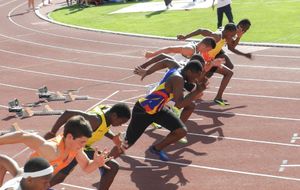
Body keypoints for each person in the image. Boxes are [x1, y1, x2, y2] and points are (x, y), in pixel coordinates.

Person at [110, 57, 209, 162]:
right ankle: (105, 161)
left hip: (158, 109)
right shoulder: (178, 79)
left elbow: (165, 61)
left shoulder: (176, 67)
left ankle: (156, 149)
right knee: (126, 144)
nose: (196, 79)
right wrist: (197, 91)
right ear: (189, 71)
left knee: (181, 131)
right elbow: (179, 104)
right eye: (196, 76)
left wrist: (148, 71)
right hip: (143, 111)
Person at [0, 116, 111, 189]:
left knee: (4, 162)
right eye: (82, 142)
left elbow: (86, 167)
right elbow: (23, 136)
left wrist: (96, 163)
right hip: (27, 185)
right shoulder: (52, 149)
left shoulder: (76, 149)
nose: (83, 145)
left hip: (41, 185)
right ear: (70, 137)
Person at [43, 103, 131, 190]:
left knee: (112, 166)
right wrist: (52, 133)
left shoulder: (108, 113)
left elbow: (101, 128)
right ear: (114, 115)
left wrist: (113, 137)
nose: (121, 125)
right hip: (71, 146)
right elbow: (67, 113)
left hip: (82, 147)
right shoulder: (95, 119)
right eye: (121, 121)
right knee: (59, 177)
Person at [177, 22, 252, 106]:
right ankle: (185, 92)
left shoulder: (226, 36)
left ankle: (217, 97)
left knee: (228, 73)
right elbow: (201, 31)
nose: (232, 38)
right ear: (227, 32)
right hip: (203, 62)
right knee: (198, 82)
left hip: (211, 61)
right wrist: (185, 37)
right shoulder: (217, 36)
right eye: (232, 35)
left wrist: (239, 36)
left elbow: (232, 46)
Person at [144, 37, 216, 64]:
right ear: (203, 46)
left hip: (180, 71)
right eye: (207, 50)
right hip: (173, 71)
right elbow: (170, 49)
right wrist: (152, 55)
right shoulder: (190, 49)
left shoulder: (199, 51)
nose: (207, 52)